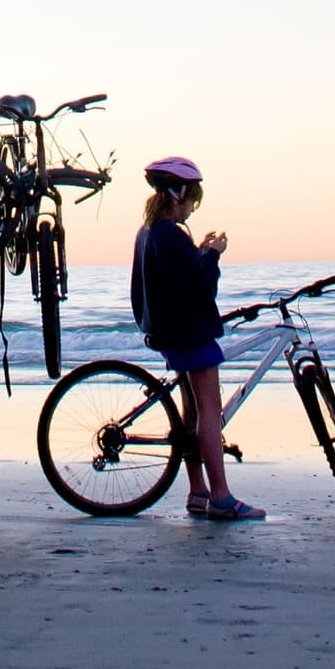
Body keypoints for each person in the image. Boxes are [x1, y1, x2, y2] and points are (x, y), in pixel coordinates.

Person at [130, 156, 264, 521]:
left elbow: (177, 278)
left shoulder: (150, 231)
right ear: (178, 195)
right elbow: (200, 288)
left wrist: (200, 253)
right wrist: (214, 256)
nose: (191, 210)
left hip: (170, 331)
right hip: (190, 332)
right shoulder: (171, 235)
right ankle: (221, 498)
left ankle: (197, 491)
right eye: (192, 202)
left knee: (192, 413)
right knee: (209, 413)